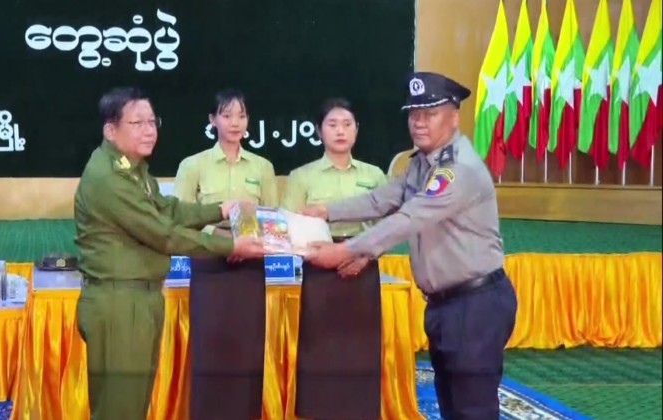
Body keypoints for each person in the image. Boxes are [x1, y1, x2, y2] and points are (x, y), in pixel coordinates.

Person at [303, 72, 518, 419]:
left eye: (430, 114)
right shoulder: (422, 163)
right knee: (453, 407)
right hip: (446, 306)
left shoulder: (456, 169)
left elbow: (409, 217)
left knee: (473, 410)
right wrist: (325, 212)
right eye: (414, 114)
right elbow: (380, 200)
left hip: (476, 306)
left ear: (454, 117)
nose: (419, 122)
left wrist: (346, 251)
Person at [73, 87, 266, 420]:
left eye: (152, 121)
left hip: (139, 299)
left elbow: (169, 209)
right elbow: (163, 234)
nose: (149, 130)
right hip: (120, 302)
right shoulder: (109, 178)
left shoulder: (133, 169)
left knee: (133, 406)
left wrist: (219, 209)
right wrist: (231, 246)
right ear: (111, 130)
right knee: (119, 409)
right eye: (138, 123)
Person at [281, 97, 387, 276]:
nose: (340, 131)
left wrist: (365, 257)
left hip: (363, 263)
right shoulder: (300, 176)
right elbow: (287, 228)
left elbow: (387, 227)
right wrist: (316, 254)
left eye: (347, 124)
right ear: (319, 131)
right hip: (316, 263)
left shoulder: (374, 174)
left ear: (356, 129)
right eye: (332, 125)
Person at [173, 89, 279, 233]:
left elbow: (272, 222)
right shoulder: (191, 165)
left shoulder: (264, 167)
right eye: (227, 116)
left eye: (241, 116)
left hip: (251, 241)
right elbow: (180, 218)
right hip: (207, 242)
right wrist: (216, 235)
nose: (235, 123)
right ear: (212, 119)